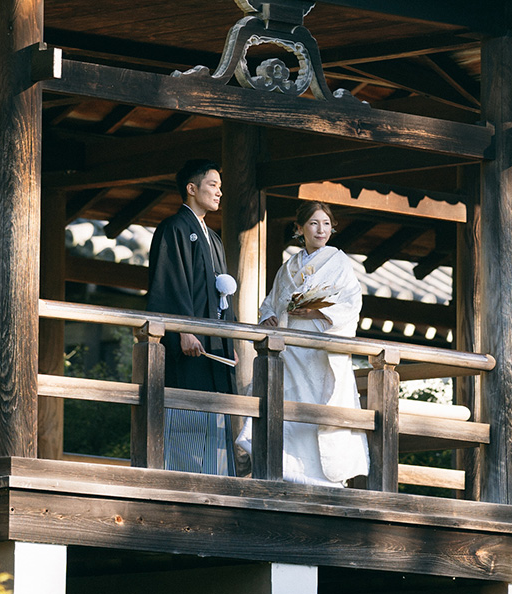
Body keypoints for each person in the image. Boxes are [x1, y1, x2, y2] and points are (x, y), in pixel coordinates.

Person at [259, 200, 369, 485]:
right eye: (313, 223)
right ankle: (290, 472)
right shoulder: (289, 266)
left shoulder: (339, 263)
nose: (321, 230)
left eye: (326, 224)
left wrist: (317, 311)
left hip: (321, 352)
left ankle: (324, 478)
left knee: (321, 409)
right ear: (300, 228)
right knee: (290, 408)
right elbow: (271, 302)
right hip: (292, 351)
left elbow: (351, 304)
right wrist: (269, 317)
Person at [146, 160, 237, 476]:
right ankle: (183, 482)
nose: (219, 193)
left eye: (220, 187)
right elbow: (169, 283)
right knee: (187, 415)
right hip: (189, 345)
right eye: (213, 185)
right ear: (191, 188)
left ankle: (216, 482)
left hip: (213, 346)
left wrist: (228, 340)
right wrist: (183, 330)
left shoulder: (212, 237)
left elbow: (222, 294)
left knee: (216, 418)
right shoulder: (174, 228)